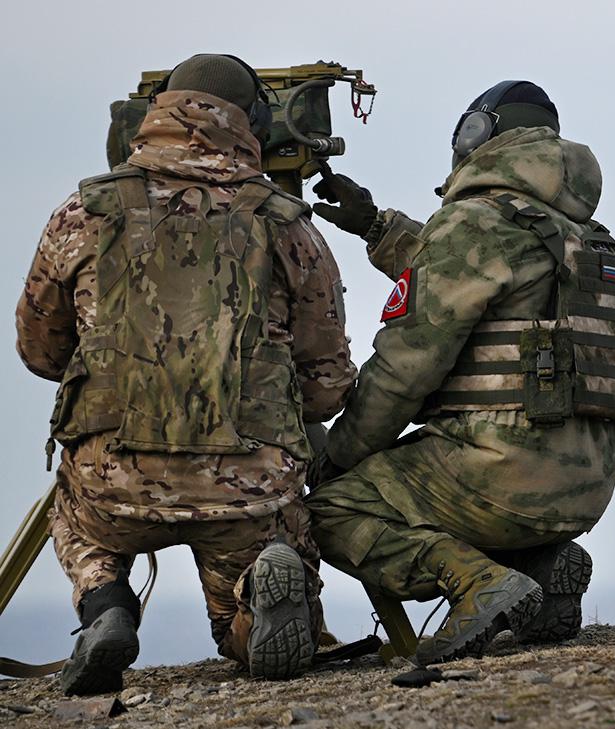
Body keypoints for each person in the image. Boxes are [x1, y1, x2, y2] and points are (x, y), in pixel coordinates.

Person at [16, 54, 356, 693]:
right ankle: (254, 610)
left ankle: (106, 604)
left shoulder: (82, 211)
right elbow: (328, 382)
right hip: (246, 487)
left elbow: (39, 350)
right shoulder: (286, 224)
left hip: (110, 481)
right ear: (253, 122)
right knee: (246, 603)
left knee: (78, 518)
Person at [306, 80, 615, 665]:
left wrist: (340, 453)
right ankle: (539, 566)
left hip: (499, 472)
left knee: (331, 510)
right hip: (588, 480)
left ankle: (476, 582)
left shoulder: (472, 223)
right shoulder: (582, 235)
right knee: (446, 490)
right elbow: (469, 271)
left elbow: (405, 369)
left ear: (477, 135)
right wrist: (375, 226)